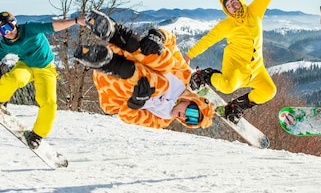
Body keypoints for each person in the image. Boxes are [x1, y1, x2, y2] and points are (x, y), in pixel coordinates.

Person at [0, 11, 78, 148]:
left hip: (45, 68)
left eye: (9, 27)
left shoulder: (30, 28)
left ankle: (37, 135)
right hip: (25, 65)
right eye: (2, 31)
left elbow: (54, 26)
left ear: (15, 24)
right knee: (12, 78)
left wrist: (77, 20)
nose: (8, 33)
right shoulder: (5, 44)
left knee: (49, 102)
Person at [73, 10, 215, 130]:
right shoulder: (183, 78)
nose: (185, 117)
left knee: (159, 85)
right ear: (192, 101)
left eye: (191, 121)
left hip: (115, 88)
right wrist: (159, 37)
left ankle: (103, 62)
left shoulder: (162, 119)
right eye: (192, 113)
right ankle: (114, 33)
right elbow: (171, 43)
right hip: (124, 54)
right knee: (166, 65)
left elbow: (126, 116)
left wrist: (136, 102)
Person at [184, 0, 289, 123]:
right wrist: (189, 55)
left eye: (234, 2)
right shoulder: (227, 24)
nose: (233, 7)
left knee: (269, 91)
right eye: (229, 6)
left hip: (256, 69)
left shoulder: (255, 10)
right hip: (236, 67)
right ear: (227, 11)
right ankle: (206, 75)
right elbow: (209, 39)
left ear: (240, 1)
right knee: (226, 87)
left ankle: (237, 107)